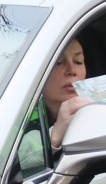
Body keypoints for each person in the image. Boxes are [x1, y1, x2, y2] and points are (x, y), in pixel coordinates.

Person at [18, 38, 91, 174]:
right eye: (58, 62)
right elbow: (6, 160)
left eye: (78, 61)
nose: (72, 70)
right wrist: (55, 134)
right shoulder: (18, 116)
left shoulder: (99, 111)